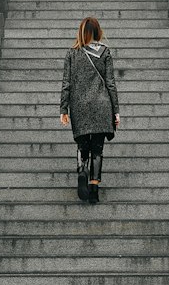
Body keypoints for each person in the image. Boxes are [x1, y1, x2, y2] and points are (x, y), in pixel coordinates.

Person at [59, 15, 120, 203]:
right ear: (97, 31)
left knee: (82, 145)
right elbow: (110, 83)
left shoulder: (72, 53)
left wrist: (64, 109)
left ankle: (82, 170)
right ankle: (94, 188)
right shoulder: (105, 52)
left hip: (79, 106)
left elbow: (66, 83)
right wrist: (116, 110)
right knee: (98, 149)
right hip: (102, 105)